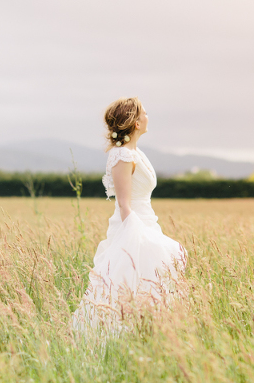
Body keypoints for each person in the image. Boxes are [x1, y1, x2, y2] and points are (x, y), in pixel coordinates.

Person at [72, 97, 188, 333]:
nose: (147, 117)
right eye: (144, 113)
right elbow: (124, 204)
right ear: (135, 122)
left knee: (153, 283)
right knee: (127, 283)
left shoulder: (136, 152)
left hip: (147, 223)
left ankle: (147, 334)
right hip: (132, 229)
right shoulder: (122, 156)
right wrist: (137, 239)